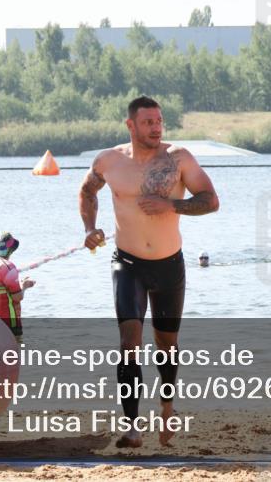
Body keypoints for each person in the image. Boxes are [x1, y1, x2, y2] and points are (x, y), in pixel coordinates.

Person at [80, 95, 219, 447]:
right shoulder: (109, 161)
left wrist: (170, 204)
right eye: (148, 122)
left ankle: (167, 407)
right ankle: (132, 427)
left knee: (166, 345)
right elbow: (87, 191)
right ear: (131, 125)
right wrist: (90, 228)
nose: (156, 128)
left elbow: (211, 200)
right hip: (128, 264)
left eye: (159, 121)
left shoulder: (179, 158)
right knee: (128, 343)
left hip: (169, 264)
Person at [0, 232, 35, 342]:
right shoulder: (9, 267)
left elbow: (1, 288)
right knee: (14, 350)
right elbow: (18, 297)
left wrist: (19, 284)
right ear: (11, 250)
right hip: (9, 322)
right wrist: (24, 286)